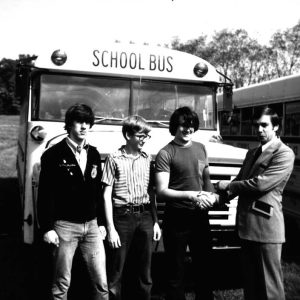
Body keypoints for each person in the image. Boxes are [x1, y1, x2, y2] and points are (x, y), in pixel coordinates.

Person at [216, 107, 295, 300]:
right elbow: (241, 180)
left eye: (264, 125)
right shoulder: (252, 153)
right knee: (251, 287)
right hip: (246, 227)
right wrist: (214, 200)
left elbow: (260, 184)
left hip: (266, 229)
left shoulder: (284, 154)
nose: (259, 130)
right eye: (256, 125)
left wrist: (227, 185)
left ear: (276, 127)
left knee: (270, 290)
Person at [37, 103, 108, 300]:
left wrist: (101, 222)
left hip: (92, 227)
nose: (84, 126)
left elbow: (97, 192)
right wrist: (47, 228)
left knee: (101, 283)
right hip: (64, 227)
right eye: (79, 122)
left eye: (87, 122)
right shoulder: (52, 155)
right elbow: (45, 193)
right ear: (69, 125)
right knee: (62, 283)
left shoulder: (93, 153)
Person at [155, 106, 218, 300]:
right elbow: (162, 191)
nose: (188, 129)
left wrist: (210, 197)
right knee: (175, 271)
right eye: (183, 125)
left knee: (204, 267)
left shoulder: (201, 148)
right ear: (175, 126)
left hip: (199, 217)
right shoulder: (165, 153)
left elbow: (205, 179)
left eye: (191, 125)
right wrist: (191, 196)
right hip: (176, 220)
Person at [101, 115, 161, 300]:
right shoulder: (113, 159)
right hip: (122, 217)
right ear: (128, 135)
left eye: (146, 136)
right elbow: (105, 195)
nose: (144, 140)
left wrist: (156, 222)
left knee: (145, 270)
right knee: (117, 268)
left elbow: (151, 193)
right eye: (140, 136)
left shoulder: (146, 158)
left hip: (145, 218)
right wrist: (110, 228)